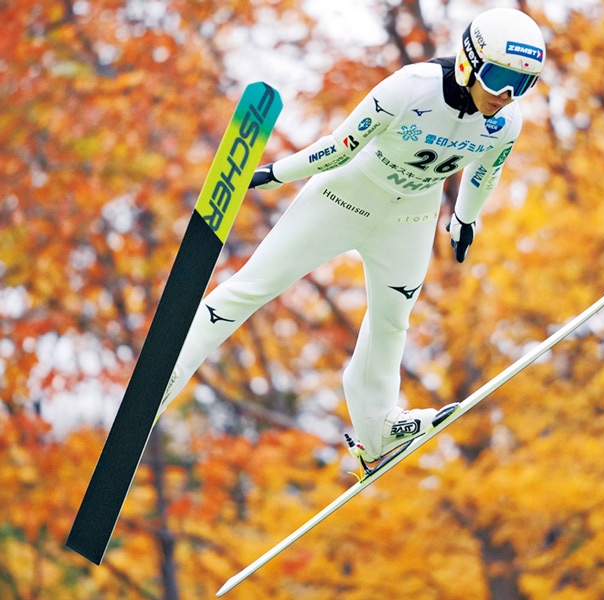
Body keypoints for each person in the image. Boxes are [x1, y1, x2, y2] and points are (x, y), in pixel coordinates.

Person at [159, 7, 546, 463]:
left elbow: (487, 171)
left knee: (391, 323)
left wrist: (464, 219)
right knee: (251, 288)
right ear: (469, 61)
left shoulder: (507, 122)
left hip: (410, 219)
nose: (505, 94)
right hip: (343, 198)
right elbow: (341, 145)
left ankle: (376, 429)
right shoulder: (411, 87)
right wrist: (275, 174)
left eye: (522, 84)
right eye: (499, 77)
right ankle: (164, 378)